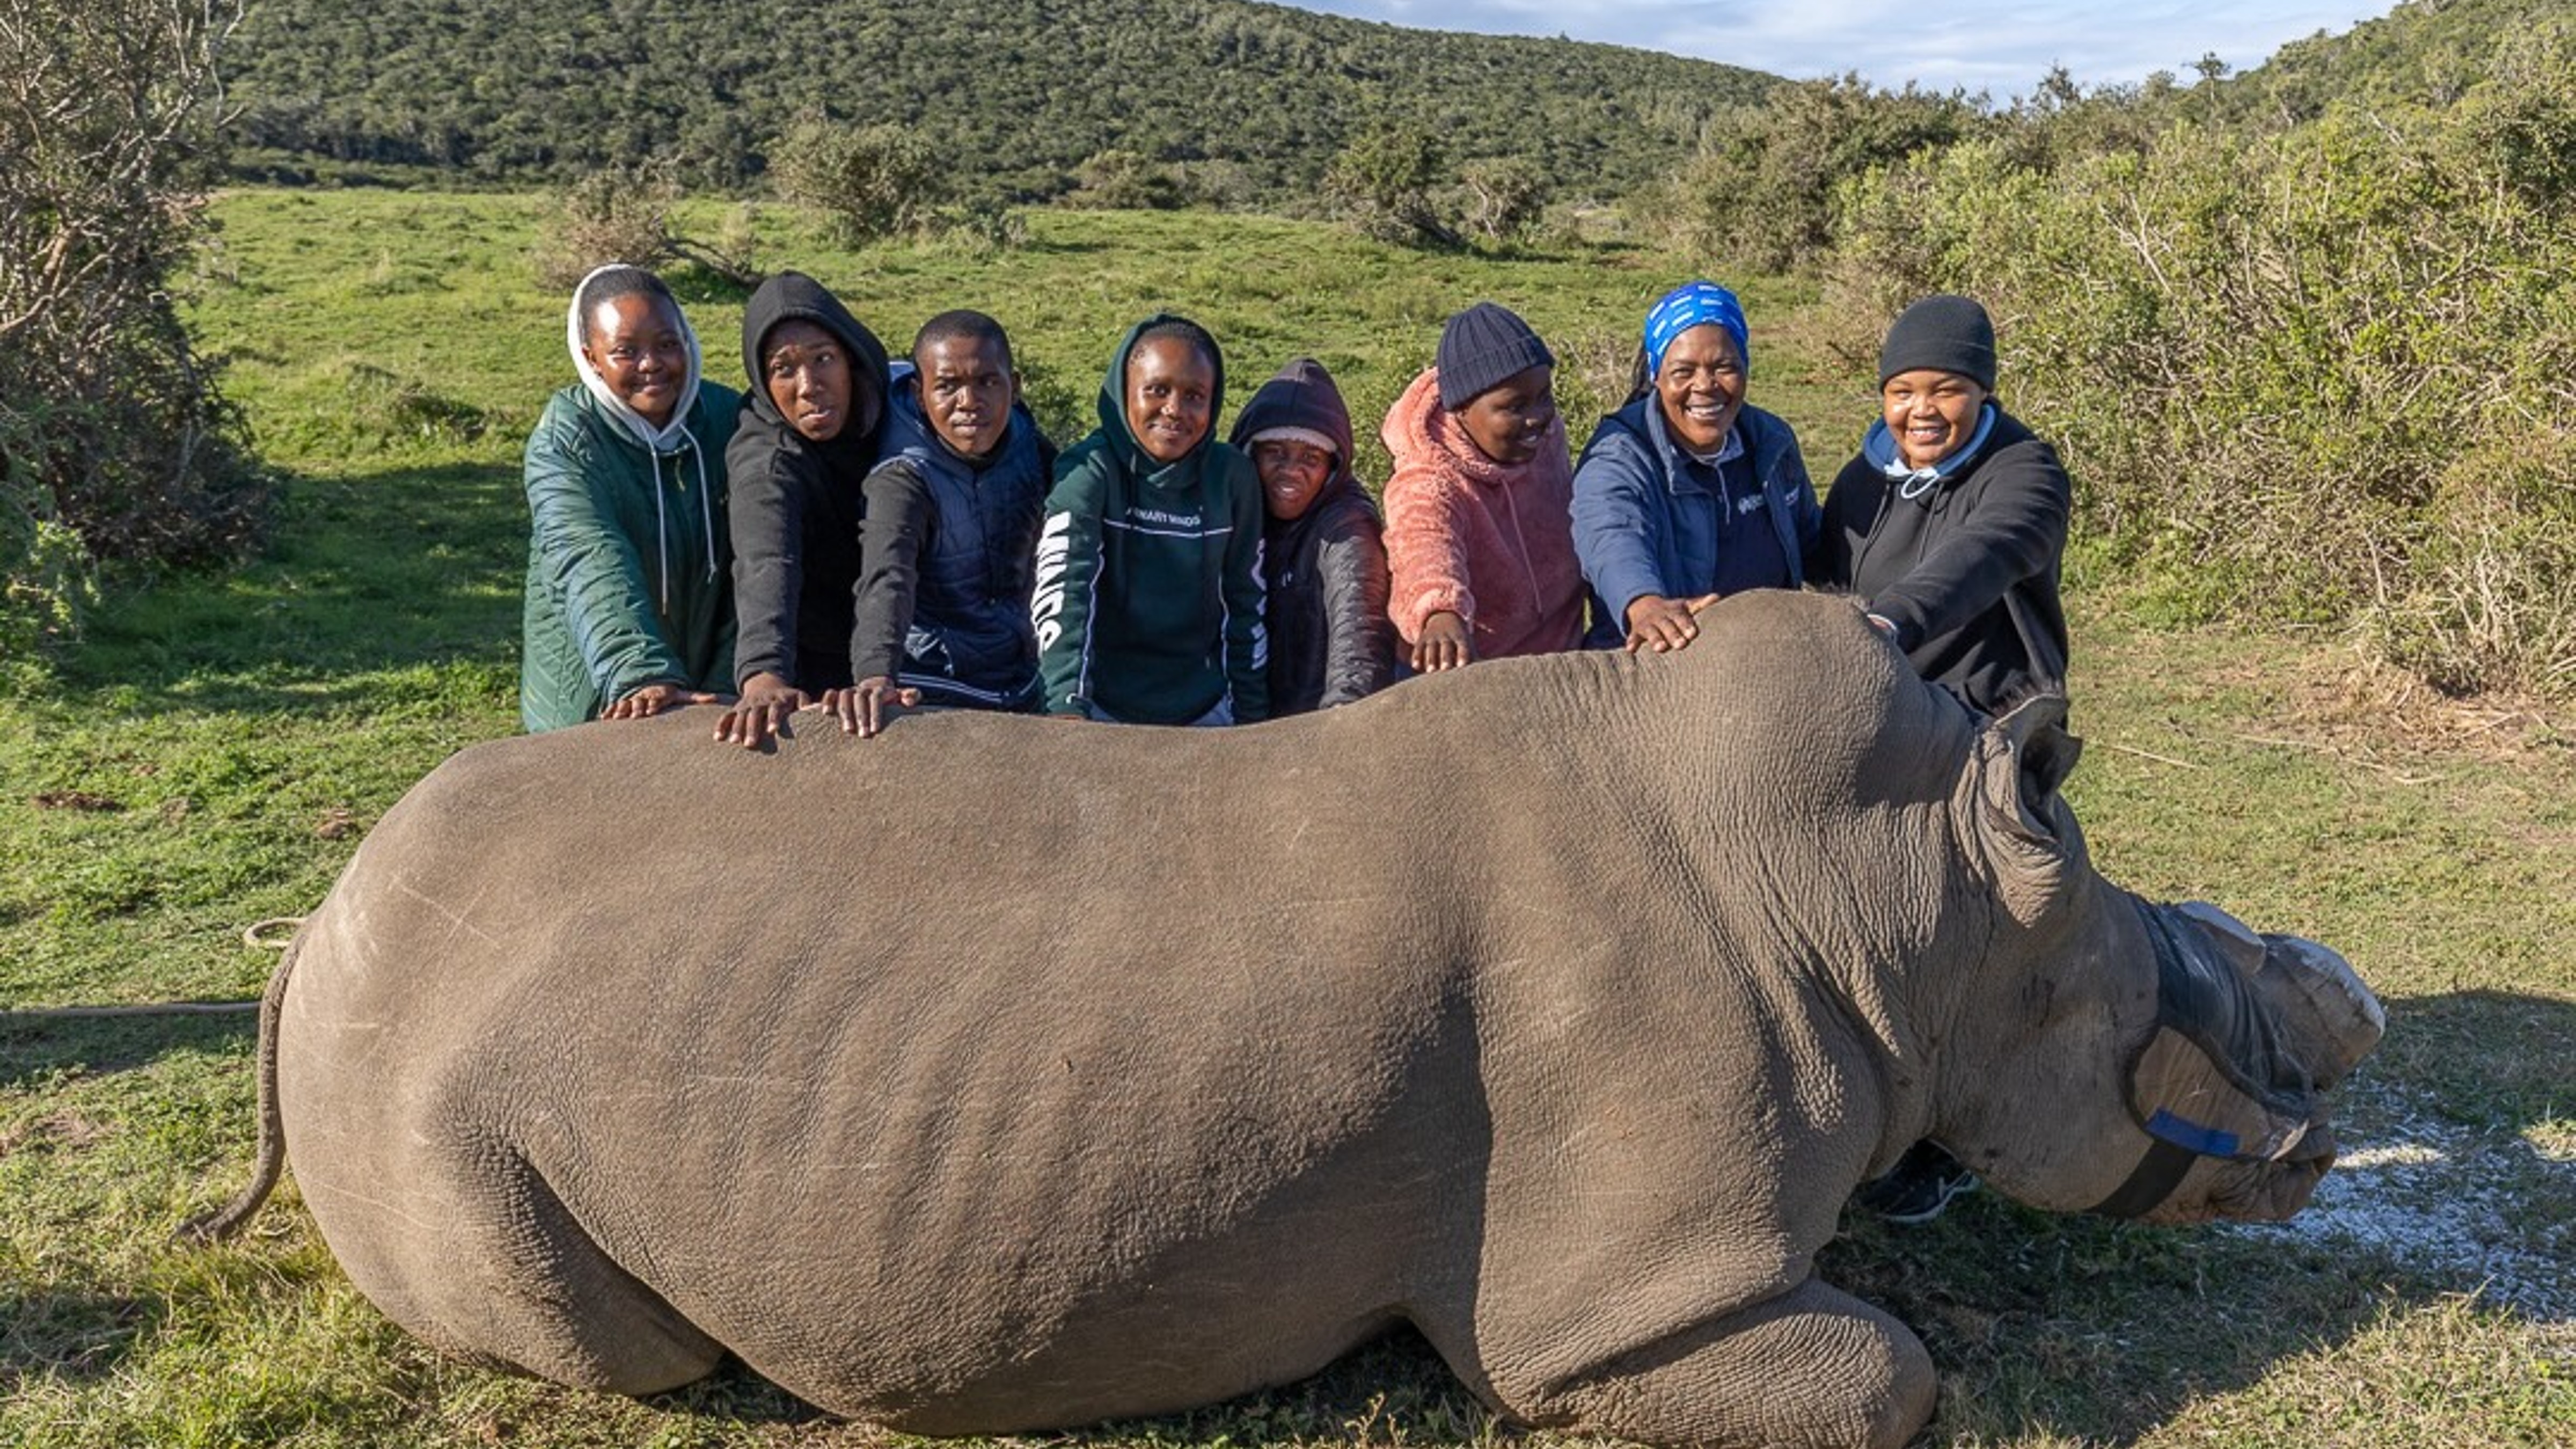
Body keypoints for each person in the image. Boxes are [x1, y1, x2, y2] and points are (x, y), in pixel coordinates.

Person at [1816, 292, 2074, 1226]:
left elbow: (1989, 553)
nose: (1922, 410)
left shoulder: (2026, 470)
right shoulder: (1864, 479)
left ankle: (1952, 1147)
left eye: (1947, 389)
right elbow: (1822, 583)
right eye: (1903, 391)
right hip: (1886, 730)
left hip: (1987, 734)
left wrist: (1887, 623)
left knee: (1978, 950)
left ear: (1983, 392)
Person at [521, 264, 741, 733]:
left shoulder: (729, 420)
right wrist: (640, 674)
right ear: (591, 358)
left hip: (712, 686)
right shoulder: (566, 439)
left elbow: (759, 556)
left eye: (667, 345)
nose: (651, 364)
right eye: (626, 351)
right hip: (597, 690)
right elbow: (587, 556)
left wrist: (732, 680)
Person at [1032, 314, 1268, 726]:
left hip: (1206, 709)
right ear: (1125, 391)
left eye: (1195, 396)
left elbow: (1247, 603)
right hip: (1100, 705)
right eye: (1157, 390)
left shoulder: (1232, 478)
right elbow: (1066, 592)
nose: (1175, 410)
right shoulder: (1089, 469)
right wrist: (1066, 707)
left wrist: (1252, 721)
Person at [835, 311, 1056, 735]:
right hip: (934, 683)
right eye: (948, 386)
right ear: (920, 394)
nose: (969, 401)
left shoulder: (1030, 446)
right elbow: (888, 574)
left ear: (1015, 387)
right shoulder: (903, 479)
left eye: (987, 382)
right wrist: (876, 675)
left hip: (1023, 679)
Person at [1571, 281, 1821, 653]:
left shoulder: (1771, 442)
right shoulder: (1620, 454)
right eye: (1683, 371)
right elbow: (1609, 533)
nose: (1705, 385)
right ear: (1657, 376)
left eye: (1724, 367)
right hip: (1657, 659)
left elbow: (1814, 543)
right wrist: (1643, 603)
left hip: (1767, 659)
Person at [715, 270, 894, 748]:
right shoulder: (766, 460)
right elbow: (765, 558)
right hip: (812, 649)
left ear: (851, 358)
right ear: (762, 379)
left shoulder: (899, 406)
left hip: (908, 634)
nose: (809, 385)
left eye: (824, 359)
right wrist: (764, 674)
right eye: (783, 369)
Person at [1380, 302, 1583, 672]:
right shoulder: (1429, 478)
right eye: (1515, 407)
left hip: (1564, 659)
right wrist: (1440, 613)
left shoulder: (1546, 438)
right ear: (1461, 410)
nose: (1538, 417)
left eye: (1544, 397)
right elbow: (1423, 545)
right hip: (1474, 669)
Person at [1228, 358, 1394, 715]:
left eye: (1311, 458)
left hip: (1313, 726)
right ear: (1250, 455)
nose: (1291, 471)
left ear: (1333, 466)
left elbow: (1359, 626)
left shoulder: (1347, 526)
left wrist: (1345, 716)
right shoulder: (1229, 513)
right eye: (1275, 453)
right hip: (1232, 715)